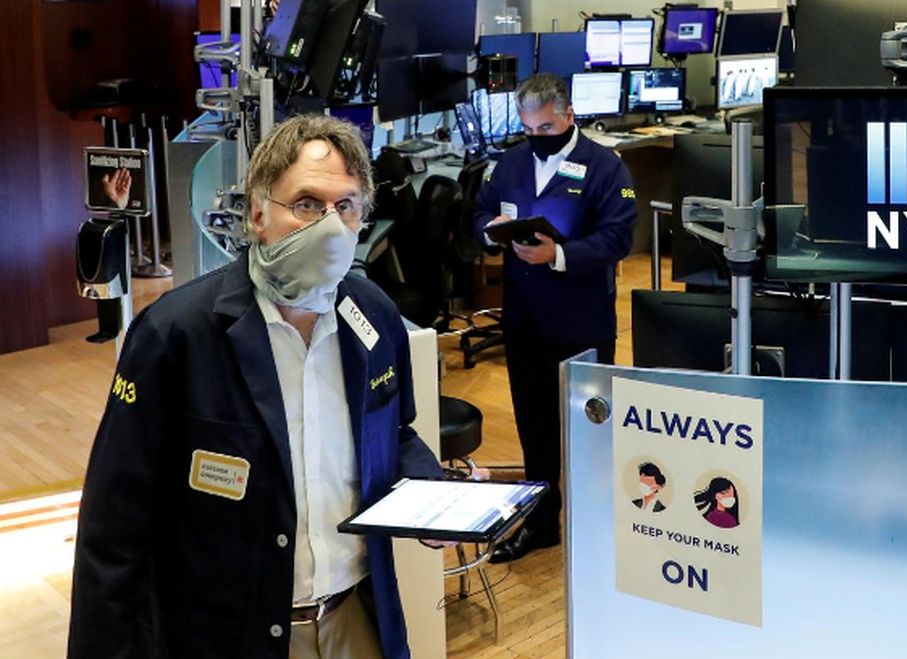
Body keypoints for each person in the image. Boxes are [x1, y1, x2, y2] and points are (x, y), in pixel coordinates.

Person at [68, 114, 443, 659]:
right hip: (230, 634)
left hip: (357, 618)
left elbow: (395, 432)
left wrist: (434, 494)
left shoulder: (374, 316)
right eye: (308, 205)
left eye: (346, 207)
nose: (330, 228)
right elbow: (113, 526)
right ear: (258, 213)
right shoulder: (178, 335)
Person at [473, 73, 637, 562]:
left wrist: (559, 255)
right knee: (535, 427)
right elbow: (480, 212)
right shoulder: (510, 162)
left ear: (569, 115)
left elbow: (618, 239)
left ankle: (596, 526)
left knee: (588, 429)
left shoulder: (606, 167)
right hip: (524, 319)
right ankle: (542, 522)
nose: (537, 137)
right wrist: (492, 232)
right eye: (529, 129)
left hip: (580, 319)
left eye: (547, 127)